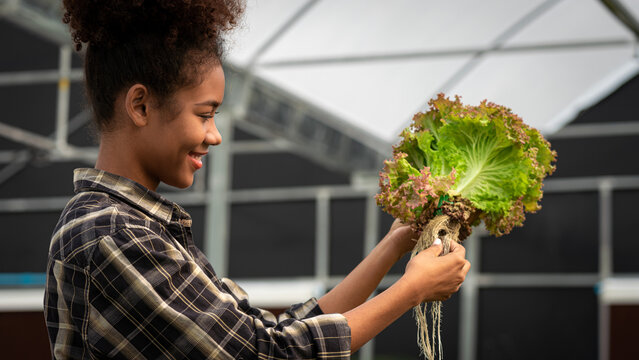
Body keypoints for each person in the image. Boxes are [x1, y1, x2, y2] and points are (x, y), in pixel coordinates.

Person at [44, 1, 471, 359]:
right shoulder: (113, 233)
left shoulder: (140, 226)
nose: (215, 135)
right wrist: (410, 291)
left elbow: (275, 332)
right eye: (204, 114)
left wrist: (393, 245)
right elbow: (266, 354)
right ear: (140, 105)